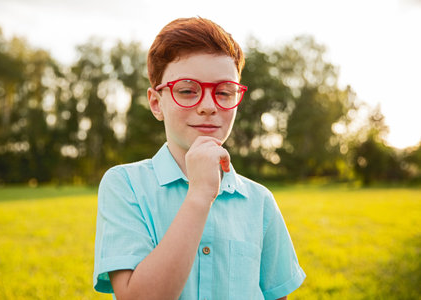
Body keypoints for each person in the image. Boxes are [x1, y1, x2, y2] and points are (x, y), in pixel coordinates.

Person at [93, 17, 306, 300]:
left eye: (223, 92)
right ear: (156, 103)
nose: (208, 106)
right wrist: (199, 195)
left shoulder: (261, 202)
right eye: (187, 91)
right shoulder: (124, 185)